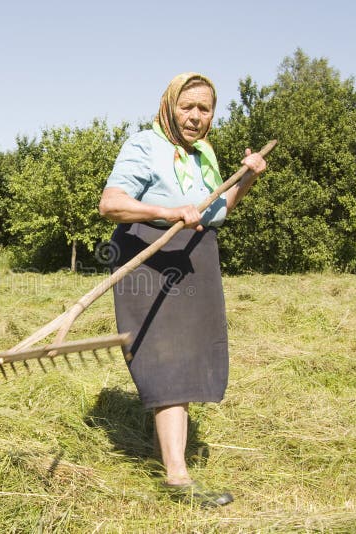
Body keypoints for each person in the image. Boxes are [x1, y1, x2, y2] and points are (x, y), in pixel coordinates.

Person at [98, 72, 266, 507]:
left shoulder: (202, 154)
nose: (195, 117)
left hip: (195, 256)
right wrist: (166, 210)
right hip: (150, 254)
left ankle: (167, 456)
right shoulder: (143, 145)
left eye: (204, 109)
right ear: (169, 105)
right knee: (166, 360)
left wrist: (246, 178)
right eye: (186, 106)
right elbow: (111, 204)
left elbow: (216, 210)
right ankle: (177, 479)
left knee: (188, 360)